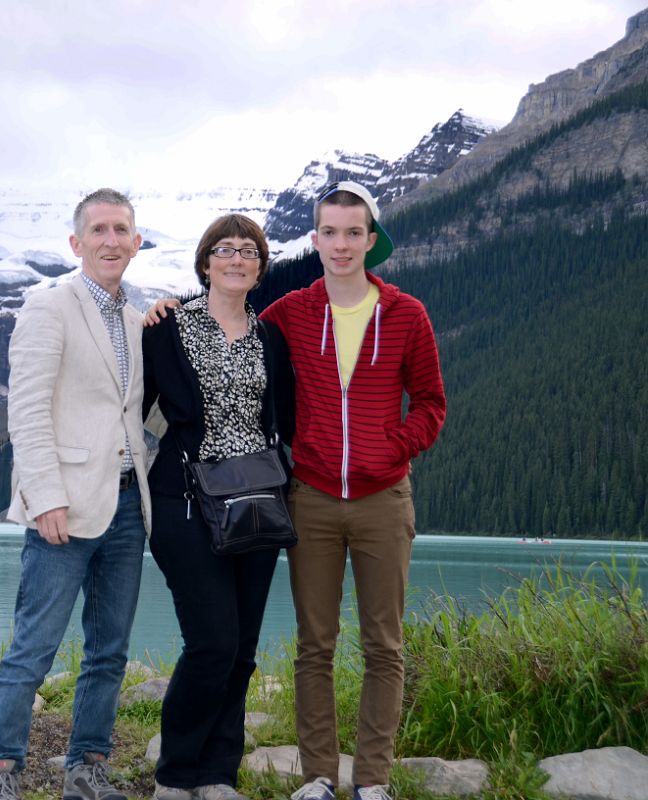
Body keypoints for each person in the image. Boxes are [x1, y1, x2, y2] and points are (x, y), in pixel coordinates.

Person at [149, 182, 446, 800]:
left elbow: (432, 405)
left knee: (384, 645)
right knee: (314, 644)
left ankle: (373, 780)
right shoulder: (290, 314)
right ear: (315, 240)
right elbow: (224, 324)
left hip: (384, 498)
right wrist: (162, 307)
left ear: (372, 240)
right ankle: (316, 777)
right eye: (330, 233)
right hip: (305, 497)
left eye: (353, 233)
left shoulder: (407, 314)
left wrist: (388, 450)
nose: (341, 245)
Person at [0, 188, 152, 800]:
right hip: (64, 505)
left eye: (121, 229)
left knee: (111, 650)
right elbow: (25, 410)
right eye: (98, 229)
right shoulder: (48, 306)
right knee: (34, 647)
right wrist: (43, 494)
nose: (111, 239)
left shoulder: (138, 320)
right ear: (77, 243)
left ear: (136, 242)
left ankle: (88, 768)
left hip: (129, 505)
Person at [142, 214, 294, 800]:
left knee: (243, 651)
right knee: (211, 643)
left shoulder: (270, 338)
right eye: (225, 250)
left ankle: (218, 772)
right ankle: (176, 773)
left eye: (249, 251)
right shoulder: (167, 327)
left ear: (260, 268)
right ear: (205, 262)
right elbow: (133, 409)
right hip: (182, 501)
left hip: (256, 502)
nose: (237, 259)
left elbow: (287, 419)